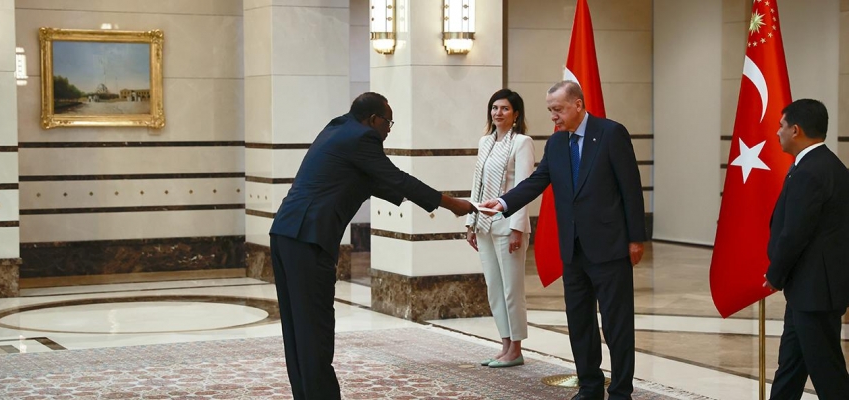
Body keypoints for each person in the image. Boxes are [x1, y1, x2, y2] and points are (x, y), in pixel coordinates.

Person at [268, 92, 475, 400]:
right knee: (315, 329)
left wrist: (433, 201)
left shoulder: (337, 127)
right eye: (388, 123)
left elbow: (377, 183)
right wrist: (451, 204)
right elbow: (397, 178)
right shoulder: (363, 138)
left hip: (285, 233)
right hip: (308, 239)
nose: (389, 130)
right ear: (374, 119)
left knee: (298, 328)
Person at [480, 81, 646, 400]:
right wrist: (502, 202)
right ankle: (590, 387)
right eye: (550, 110)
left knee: (617, 325)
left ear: (578, 105)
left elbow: (631, 188)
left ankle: (621, 391)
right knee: (580, 323)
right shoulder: (557, 143)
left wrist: (636, 238)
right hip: (573, 248)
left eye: (557, 109)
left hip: (610, 246)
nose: (553, 116)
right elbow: (537, 181)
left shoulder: (611, 133)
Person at [764, 99, 849, 400]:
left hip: (815, 292)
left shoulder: (811, 171)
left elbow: (795, 233)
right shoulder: (827, 165)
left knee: (827, 372)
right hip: (808, 290)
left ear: (796, 130)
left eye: (781, 126)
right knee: (790, 366)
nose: (778, 132)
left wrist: (775, 274)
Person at [465, 89, 535, 368]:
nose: (498, 113)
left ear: (515, 114)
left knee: (511, 290)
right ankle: (505, 344)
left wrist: (517, 228)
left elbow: (524, 188)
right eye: (494, 108)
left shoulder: (522, 142)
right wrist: (470, 222)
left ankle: (516, 349)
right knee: (494, 288)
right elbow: (477, 184)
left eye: (505, 108)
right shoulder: (485, 142)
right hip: (484, 225)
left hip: (508, 226)